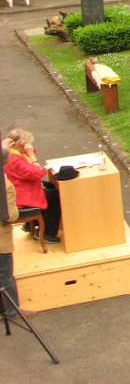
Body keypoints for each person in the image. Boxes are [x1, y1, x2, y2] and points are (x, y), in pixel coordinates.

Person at [3, 129, 61, 243]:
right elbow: (38, 172)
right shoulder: (15, 160)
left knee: (49, 186)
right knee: (55, 196)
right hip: (20, 197)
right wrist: (31, 154)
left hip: (18, 188)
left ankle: (31, 224)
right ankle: (47, 234)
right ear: (21, 144)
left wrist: (28, 151)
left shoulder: (10, 153)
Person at [1, 148, 33, 322]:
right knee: (5, 276)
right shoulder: (6, 186)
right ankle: (12, 312)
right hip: (1, 239)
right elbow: (10, 215)